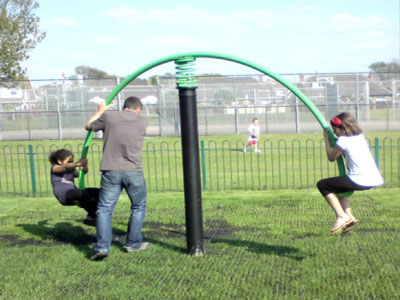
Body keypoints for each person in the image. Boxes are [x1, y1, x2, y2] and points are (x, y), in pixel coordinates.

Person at [85, 96, 149, 261]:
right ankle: (133, 244)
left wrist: (100, 112)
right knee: (138, 207)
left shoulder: (110, 117)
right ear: (138, 109)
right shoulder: (143, 121)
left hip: (110, 169)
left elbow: (88, 126)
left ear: (124, 106)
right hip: (133, 170)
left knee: (105, 210)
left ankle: (102, 247)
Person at [317, 112, 384, 235]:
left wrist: (327, 140)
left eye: (335, 129)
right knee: (340, 188)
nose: (334, 132)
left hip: (359, 179)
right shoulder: (359, 137)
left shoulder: (343, 140)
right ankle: (349, 217)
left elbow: (331, 157)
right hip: (373, 179)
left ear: (342, 128)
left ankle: (341, 216)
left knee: (322, 185)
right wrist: (335, 141)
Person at [49, 149, 99, 226]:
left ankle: (90, 217)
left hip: (74, 192)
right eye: (69, 161)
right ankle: (93, 216)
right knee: (80, 193)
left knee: (98, 192)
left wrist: (84, 167)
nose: (71, 163)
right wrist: (77, 163)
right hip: (64, 195)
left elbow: (81, 173)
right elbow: (65, 168)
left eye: (72, 161)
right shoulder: (55, 168)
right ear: (59, 161)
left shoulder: (71, 170)